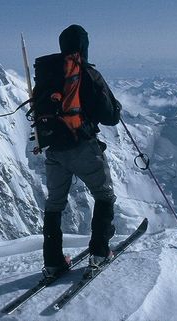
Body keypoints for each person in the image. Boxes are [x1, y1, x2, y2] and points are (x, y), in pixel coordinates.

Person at [41, 24, 121, 276]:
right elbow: (110, 116)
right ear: (84, 46)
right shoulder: (87, 74)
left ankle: (53, 262)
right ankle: (99, 251)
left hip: (53, 148)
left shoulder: (47, 73)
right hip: (83, 147)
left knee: (54, 205)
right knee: (104, 195)